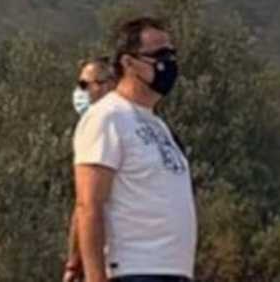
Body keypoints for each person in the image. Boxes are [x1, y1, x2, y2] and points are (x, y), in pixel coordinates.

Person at [73, 17, 196, 282]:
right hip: (133, 270)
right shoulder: (107, 116)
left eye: (171, 54)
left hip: (173, 272)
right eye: (159, 55)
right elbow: (88, 204)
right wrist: (94, 276)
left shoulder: (158, 125)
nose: (169, 63)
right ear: (128, 62)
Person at [65, 57, 117, 282]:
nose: (80, 92)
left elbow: (86, 205)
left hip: (114, 263)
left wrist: (74, 264)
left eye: (85, 85)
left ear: (108, 85)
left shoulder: (100, 124)